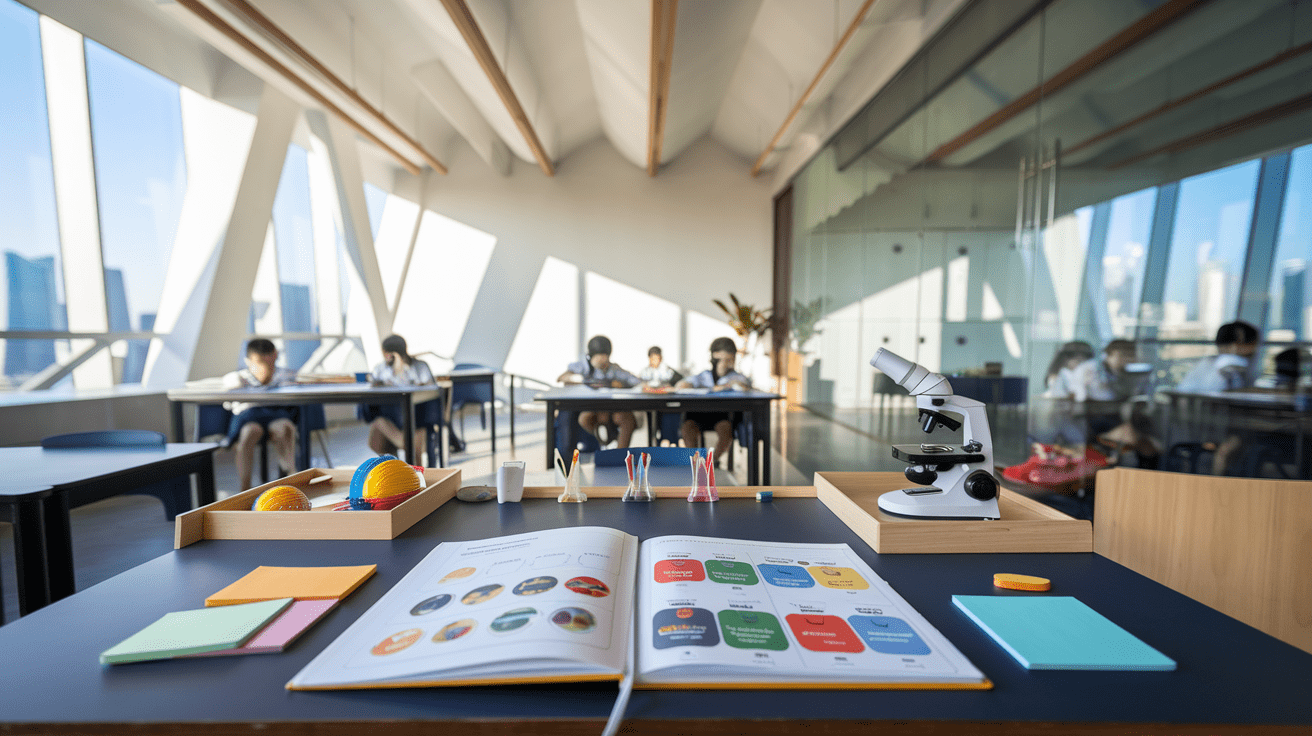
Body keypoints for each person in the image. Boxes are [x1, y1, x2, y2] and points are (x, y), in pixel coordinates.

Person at [222, 338, 299, 491]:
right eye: (259, 362)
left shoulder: (287, 375)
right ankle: (244, 487)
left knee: (284, 428)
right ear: (248, 361)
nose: (264, 367)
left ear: (275, 356)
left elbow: (293, 400)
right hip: (249, 420)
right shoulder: (237, 378)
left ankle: (291, 476)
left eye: (269, 362)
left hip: (276, 417)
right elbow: (228, 402)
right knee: (250, 432)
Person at [360, 334, 435, 461]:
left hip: (418, 415)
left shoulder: (419, 366)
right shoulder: (381, 368)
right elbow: (374, 384)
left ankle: (405, 445)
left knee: (414, 442)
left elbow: (428, 387)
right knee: (378, 428)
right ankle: (400, 450)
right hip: (390, 414)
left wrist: (402, 366)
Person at [557, 335, 640, 448]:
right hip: (590, 407)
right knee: (586, 417)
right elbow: (562, 377)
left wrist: (621, 384)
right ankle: (604, 442)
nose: (602, 360)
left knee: (624, 418)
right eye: (599, 356)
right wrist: (582, 380)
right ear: (591, 356)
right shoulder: (583, 366)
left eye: (604, 356)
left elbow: (634, 381)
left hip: (612, 407)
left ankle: (618, 453)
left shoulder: (613, 369)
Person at [676, 336, 750, 462]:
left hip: (722, 415)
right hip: (698, 414)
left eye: (728, 360)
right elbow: (682, 385)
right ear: (714, 357)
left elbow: (744, 385)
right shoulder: (704, 375)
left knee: (726, 431)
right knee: (687, 428)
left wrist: (726, 385)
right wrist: (687, 385)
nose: (724, 363)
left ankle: (712, 461)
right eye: (721, 359)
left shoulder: (735, 377)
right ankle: (695, 462)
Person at [1176, 321, 1260, 393]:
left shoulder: (1206, 363)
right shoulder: (1232, 366)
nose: (1255, 349)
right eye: (1252, 344)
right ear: (1234, 346)